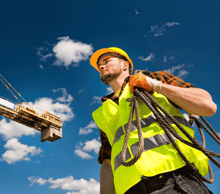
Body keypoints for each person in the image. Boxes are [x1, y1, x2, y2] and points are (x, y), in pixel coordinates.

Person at [90, 47, 217, 194]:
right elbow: (107, 163)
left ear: (125, 65)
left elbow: (207, 106)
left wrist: (156, 86)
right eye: (99, 65)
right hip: (130, 190)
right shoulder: (106, 111)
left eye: (106, 61)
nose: (101, 66)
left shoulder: (155, 79)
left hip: (176, 180)